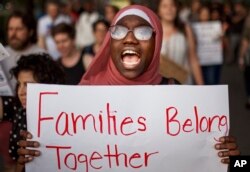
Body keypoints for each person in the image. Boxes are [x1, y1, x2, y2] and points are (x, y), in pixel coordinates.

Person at [16, 5, 239, 170]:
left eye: (142, 32)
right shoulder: (82, 98)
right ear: (109, 43)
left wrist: (234, 162)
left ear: (156, 41)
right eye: (119, 31)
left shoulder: (175, 93)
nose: (130, 39)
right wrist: (29, 161)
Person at [0, 53, 65, 171]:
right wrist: (21, 163)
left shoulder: (65, 119)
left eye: (28, 85)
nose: (21, 92)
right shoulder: (19, 109)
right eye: (19, 84)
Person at [158, 0, 204, 84]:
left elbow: (193, 60)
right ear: (159, 10)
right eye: (164, 6)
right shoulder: (153, 32)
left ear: (176, 8)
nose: (169, 9)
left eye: (172, 5)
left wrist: (201, 87)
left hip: (183, 84)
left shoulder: (185, 30)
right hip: (160, 86)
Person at [2, 10, 45, 92]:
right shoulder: (1, 53)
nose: (13, 34)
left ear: (30, 32)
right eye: (10, 29)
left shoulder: (41, 55)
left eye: (19, 29)